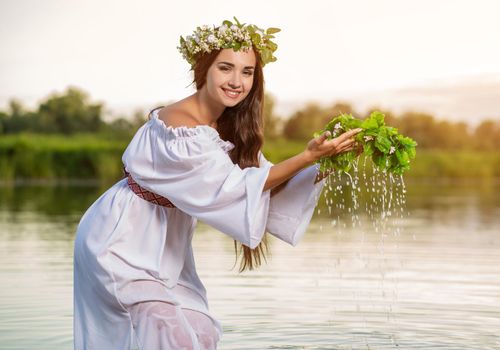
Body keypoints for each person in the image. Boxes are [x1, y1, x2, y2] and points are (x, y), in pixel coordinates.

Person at [73, 17, 362, 350]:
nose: (237, 81)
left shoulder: (226, 125)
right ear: (204, 69)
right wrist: (307, 156)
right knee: (172, 335)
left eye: (247, 72)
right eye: (226, 68)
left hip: (166, 243)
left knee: (202, 334)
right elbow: (235, 187)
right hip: (122, 239)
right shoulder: (179, 126)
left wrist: (327, 161)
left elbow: (261, 184)